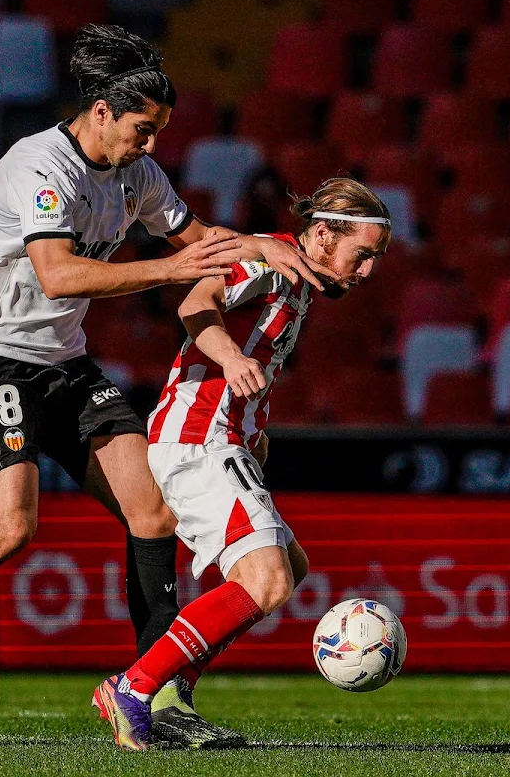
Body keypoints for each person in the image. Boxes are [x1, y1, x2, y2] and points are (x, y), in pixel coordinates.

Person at [0, 24, 332, 748]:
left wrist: (263, 245)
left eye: (157, 132)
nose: (151, 144)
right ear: (101, 112)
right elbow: (59, 274)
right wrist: (169, 271)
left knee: (152, 512)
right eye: (142, 130)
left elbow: (195, 241)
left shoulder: (138, 175)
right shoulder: (37, 166)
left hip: (66, 366)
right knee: (10, 530)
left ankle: (156, 695)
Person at [92, 177, 390, 750]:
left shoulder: (299, 280)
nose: (368, 271)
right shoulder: (272, 259)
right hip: (199, 437)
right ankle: (134, 687)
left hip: (224, 438)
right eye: (364, 254)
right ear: (323, 235)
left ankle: (169, 687)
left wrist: (256, 428)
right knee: (268, 579)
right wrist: (228, 359)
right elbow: (194, 303)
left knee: (290, 567)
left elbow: (257, 354)